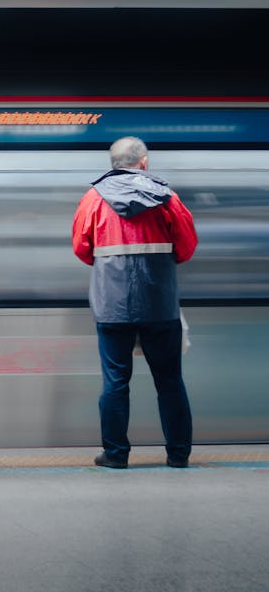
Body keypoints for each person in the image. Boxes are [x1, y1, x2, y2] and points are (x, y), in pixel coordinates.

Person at [72, 135, 197, 469]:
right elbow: (185, 248)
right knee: (170, 381)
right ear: (144, 162)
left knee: (115, 382)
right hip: (159, 305)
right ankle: (178, 454)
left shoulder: (93, 199)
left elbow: (82, 250)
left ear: (113, 164)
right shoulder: (168, 198)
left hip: (112, 306)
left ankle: (115, 455)